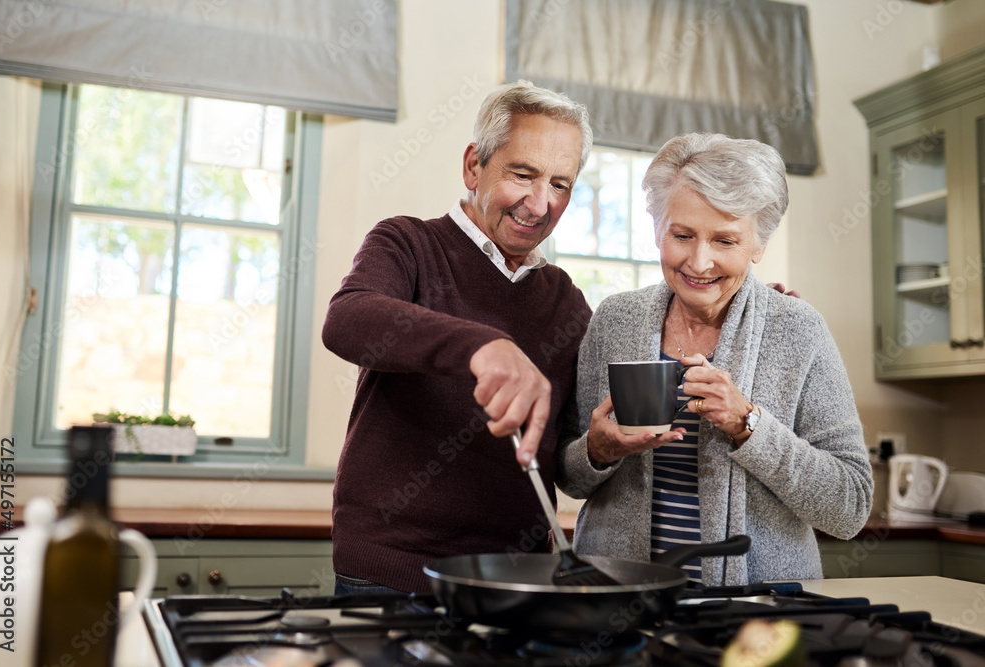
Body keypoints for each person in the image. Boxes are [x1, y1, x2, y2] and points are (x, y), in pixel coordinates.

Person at [556, 132, 873, 586]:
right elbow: (570, 476)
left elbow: (850, 508)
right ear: (657, 230)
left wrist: (749, 424)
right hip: (616, 600)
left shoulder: (798, 330)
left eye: (725, 241)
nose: (699, 262)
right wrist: (597, 450)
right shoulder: (615, 320)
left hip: (756, 610)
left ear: (758, 246)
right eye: (682, 235)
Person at [322, 81, 594, 594]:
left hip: (519, 582)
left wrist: (730, 306)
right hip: (393, 577)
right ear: (474, 166)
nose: (540, 203)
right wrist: (482, 345)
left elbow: (569, 449)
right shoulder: (407, 243)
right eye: (523, 174)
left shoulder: (565, 299)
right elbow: (348, 319)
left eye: (561, 184)